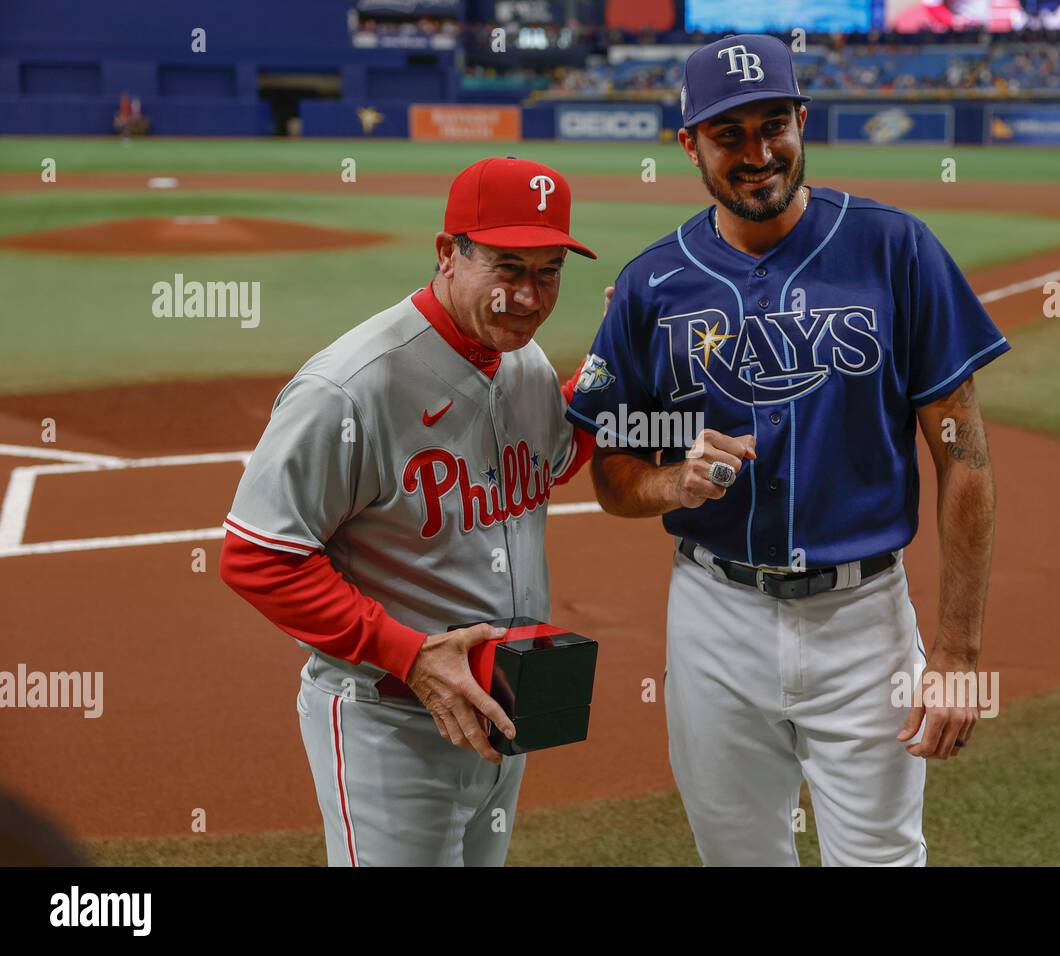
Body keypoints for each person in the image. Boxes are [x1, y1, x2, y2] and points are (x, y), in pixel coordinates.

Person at [566, 34, 1009, 866]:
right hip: (713, 618)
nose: (758, 153)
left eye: (775, 125)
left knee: (881, 856)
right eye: (729, 135)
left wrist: (956, 654)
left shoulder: (894, 249)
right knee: (737, 855)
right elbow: (614, 469)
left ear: (804, 121)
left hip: (864, 620)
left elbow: (965, 459)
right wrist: (670, 481)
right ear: (689, 144)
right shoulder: (652, 284)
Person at [220, 157, 597, 866]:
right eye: (507, 266)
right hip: (389, 723)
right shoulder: (349, 387)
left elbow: (548, 463)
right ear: (448, 253)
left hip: (499, 708)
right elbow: (258, 558)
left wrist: (613, 367)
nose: (528, 296)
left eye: (548, 271)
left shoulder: (523, 362)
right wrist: (411, 655)